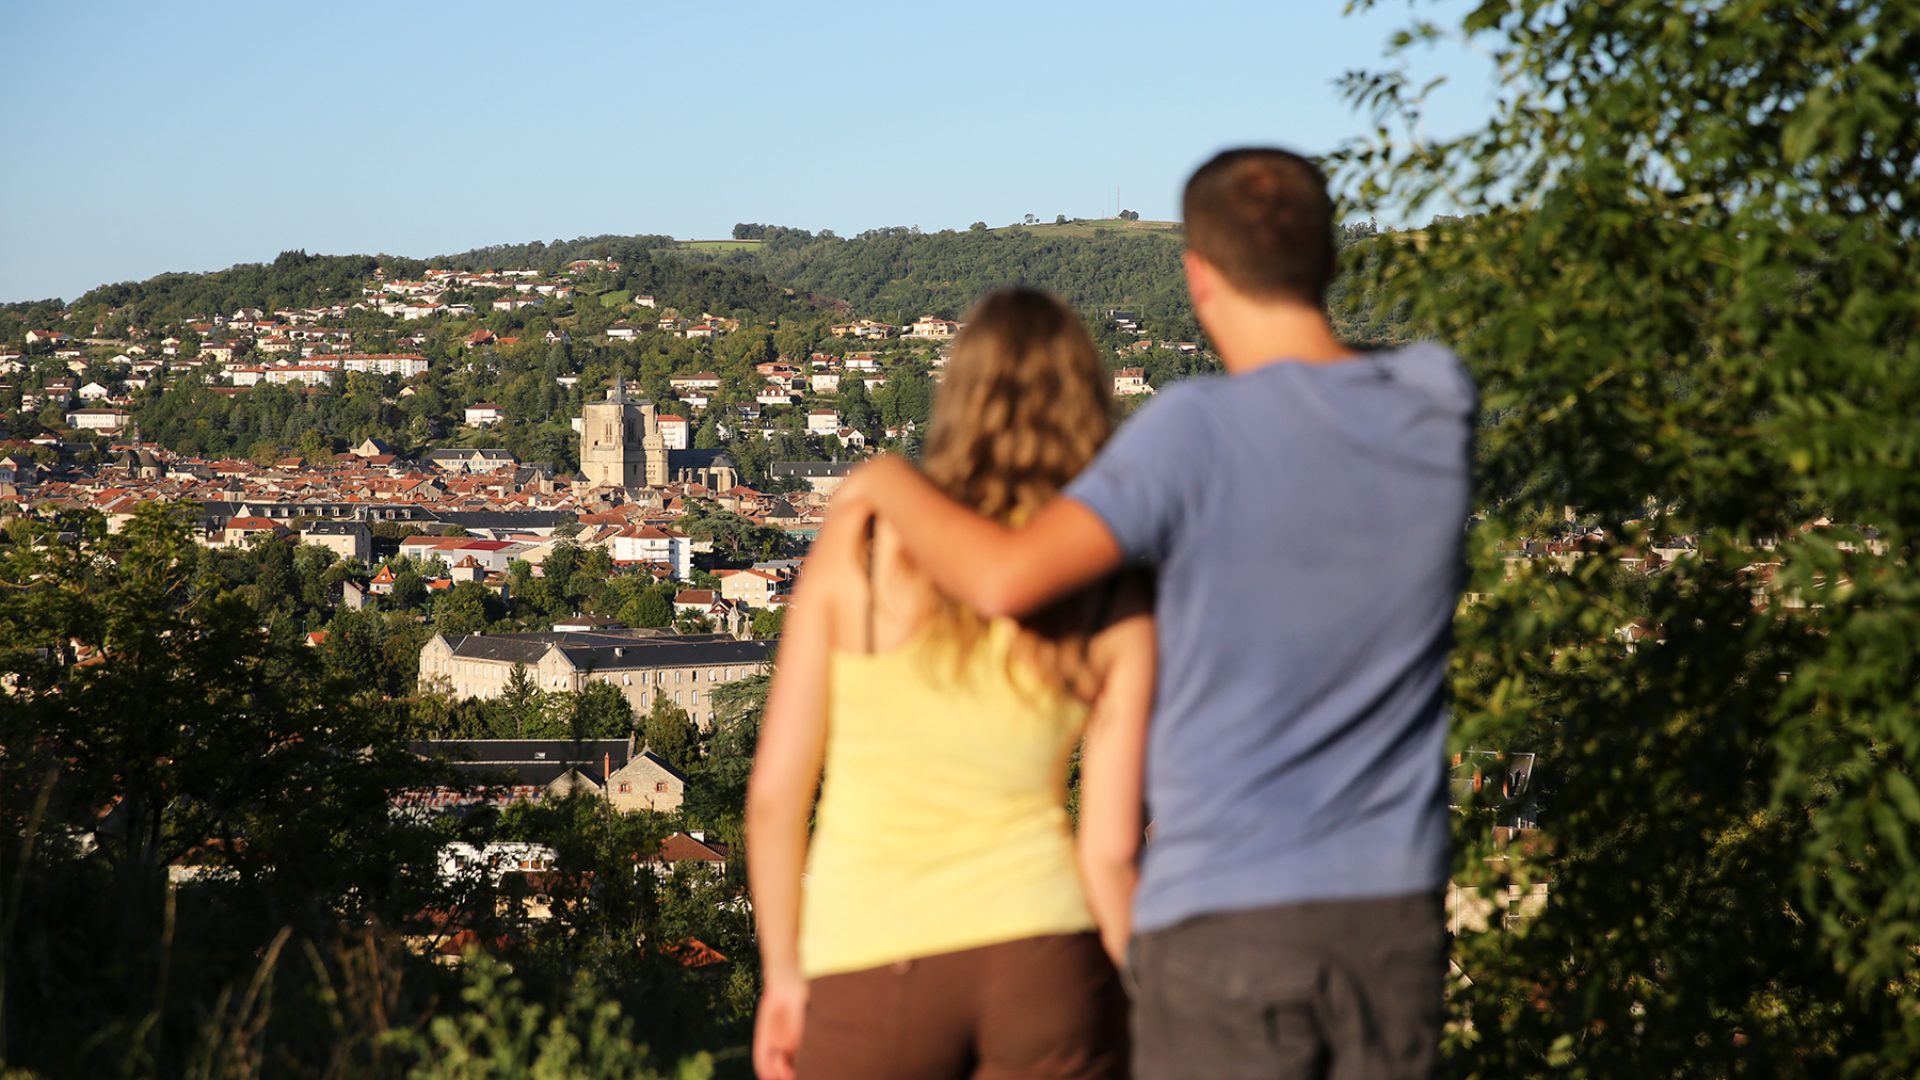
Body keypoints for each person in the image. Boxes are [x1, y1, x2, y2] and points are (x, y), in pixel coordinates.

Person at [844, 148, 1476, 1078]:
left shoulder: (1193, 431)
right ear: (1332, 263)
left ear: (1197, 276)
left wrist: (885, 479)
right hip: (1390, 914)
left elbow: (1008, 578)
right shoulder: (1436, 401)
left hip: (1221, 921)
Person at [746, 288, 1155, 1080]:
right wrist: (1133, 993)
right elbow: (1109, 849)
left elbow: (774, 800)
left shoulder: (860, 550)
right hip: (1044, 953)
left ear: (955, 397)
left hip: (872, 954)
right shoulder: (1113, 591)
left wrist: (786, 977)